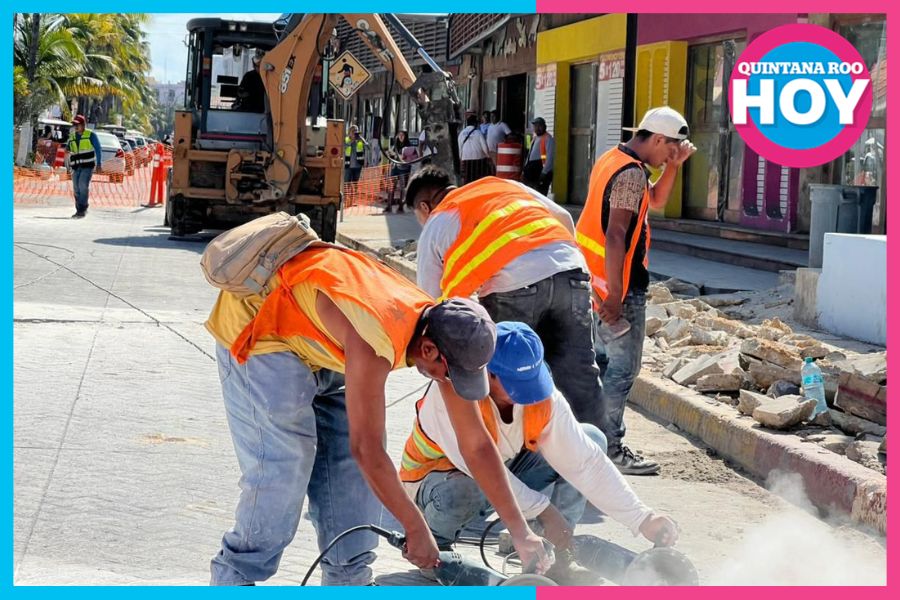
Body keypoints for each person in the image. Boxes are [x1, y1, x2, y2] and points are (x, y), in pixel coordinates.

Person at [205, 245, 550, 585]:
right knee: (287, 465)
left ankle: (348, 580)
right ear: (428, 350)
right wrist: (414, 527)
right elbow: (367, 449)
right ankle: (233, 579)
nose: (449, 383)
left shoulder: (442, 332)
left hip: (323, 339)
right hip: (263, 330)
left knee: (353, 481)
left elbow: (476, 445)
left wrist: (521, 532)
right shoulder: (377, 340)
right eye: (449, 374)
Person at [399, 322, 679, 583]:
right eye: (515, 386)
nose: (527, 394)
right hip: (436, 485)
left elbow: (586, 463)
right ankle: (435, 548)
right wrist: (544, 510)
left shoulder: (540, 395)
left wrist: (642, 518)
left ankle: (556, 554)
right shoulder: (453, 394)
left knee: (590, 439)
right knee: (465, 490)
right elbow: (480, 468)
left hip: (500, 473)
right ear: (488, 373)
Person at [405, 166, 607, 441]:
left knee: (506, 372)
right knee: (579, 371)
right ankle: (598, 451)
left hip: (513, 288)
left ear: (425, 207)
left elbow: (429, 300)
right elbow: (563, 217)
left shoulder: (437, 221)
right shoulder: (502, 186)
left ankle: (516, 453)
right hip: (570, 271)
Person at [576, 106, 696, 475]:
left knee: (598, 367)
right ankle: (609, 448)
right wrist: (615, 295)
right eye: (668, 152)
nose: (666, 159)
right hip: (618, 289)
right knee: (621, 371)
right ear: (658, 139)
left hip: (593, 281)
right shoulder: (630, 175)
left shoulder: (616, 159)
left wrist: (674, 167)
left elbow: (655, 201)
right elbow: (615, 235)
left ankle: (584, 444)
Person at [66, 114, 102, 219]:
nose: (76, 127)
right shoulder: (72, 136)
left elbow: (98, 149)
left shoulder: (91, 135)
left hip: (87, 166)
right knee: (76, 188)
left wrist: (99, 164)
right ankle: (78, 209)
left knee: (82, 185)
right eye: (74, 125)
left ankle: (83, 209)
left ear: (83, 125)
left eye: (78, 125)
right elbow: (68, 149)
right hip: (75, 166)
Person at [457, 114, 493, 185]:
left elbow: (460, 147)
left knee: (467, 179)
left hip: (466, 159)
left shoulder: (461, 134)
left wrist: (461, 158)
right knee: (478, 179)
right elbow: (485, 147)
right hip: (479, 160)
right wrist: (488, 156)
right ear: (475, 123)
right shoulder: (478, 133)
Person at [523, 117, 554, 196]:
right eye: (535, 126)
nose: (537, 128)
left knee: (540, 194)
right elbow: (529, 154)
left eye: (539, 126)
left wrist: (544, 172)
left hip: (540, 171)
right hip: (531, 170)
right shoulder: (535, 138)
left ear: (544, 126)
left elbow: (550, 158)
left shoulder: (548, 138)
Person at [387, 130, 412, 213]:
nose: (400, 137)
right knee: (391, 186)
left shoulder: (409, 146)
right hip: (395, 167)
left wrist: (396, 154)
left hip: (404, 169)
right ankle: (389, 206)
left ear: (405, 136)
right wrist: (391, 153)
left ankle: (401, 206)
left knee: (402, 187)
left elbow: (405, 157)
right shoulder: (395, 145)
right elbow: (390, 153)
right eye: (399, 135)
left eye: (402, 135)